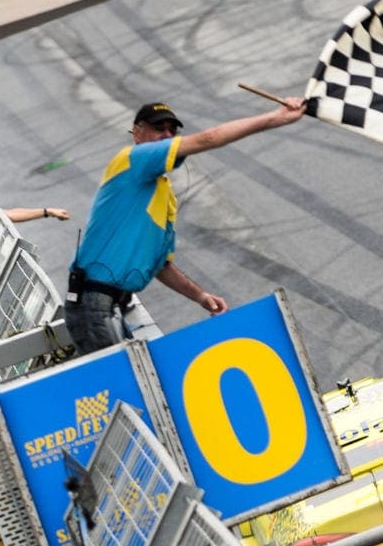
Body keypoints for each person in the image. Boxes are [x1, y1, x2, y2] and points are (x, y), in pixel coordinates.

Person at [64, 98, 306, 354]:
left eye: (173, 130)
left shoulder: (160, 193)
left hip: (109, 303)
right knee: (123, 376)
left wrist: (200, 296)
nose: (167, 135)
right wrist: (275, 118)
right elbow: (209, 138)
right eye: (159, 129)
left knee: (131, 374)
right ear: (137, 132)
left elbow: (160, 265)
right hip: (93, 301)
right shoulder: (132, 158)